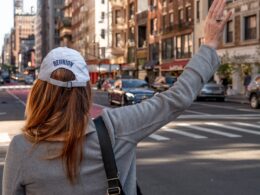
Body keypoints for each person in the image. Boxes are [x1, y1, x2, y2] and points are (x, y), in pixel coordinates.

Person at [3, 0, 232, 194]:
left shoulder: (21, 149)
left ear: (40, 92)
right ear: (85, 91)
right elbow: (176, 98)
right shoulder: (116, 129)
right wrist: (209, 44)